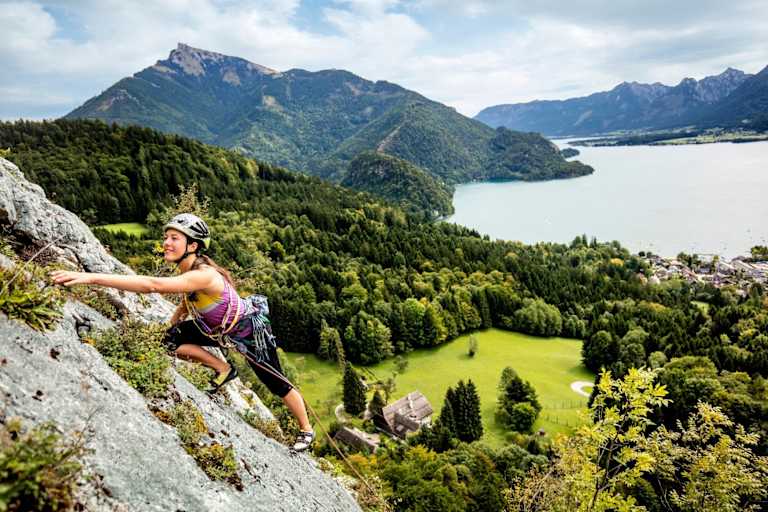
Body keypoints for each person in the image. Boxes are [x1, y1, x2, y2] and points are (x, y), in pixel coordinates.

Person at [51, 213, 315, 452]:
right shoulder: (188, 270)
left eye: (174, 238)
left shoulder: (204, 275)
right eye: (166, 237)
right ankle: (224, 370)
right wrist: (173, 325)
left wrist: (90, 277)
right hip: (217, 330)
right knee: (169, 341)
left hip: (247, 331)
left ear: (193, 246)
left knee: (276, 382)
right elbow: (187, 302)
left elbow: (152, 285)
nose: (166, 242)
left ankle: (306, 430)